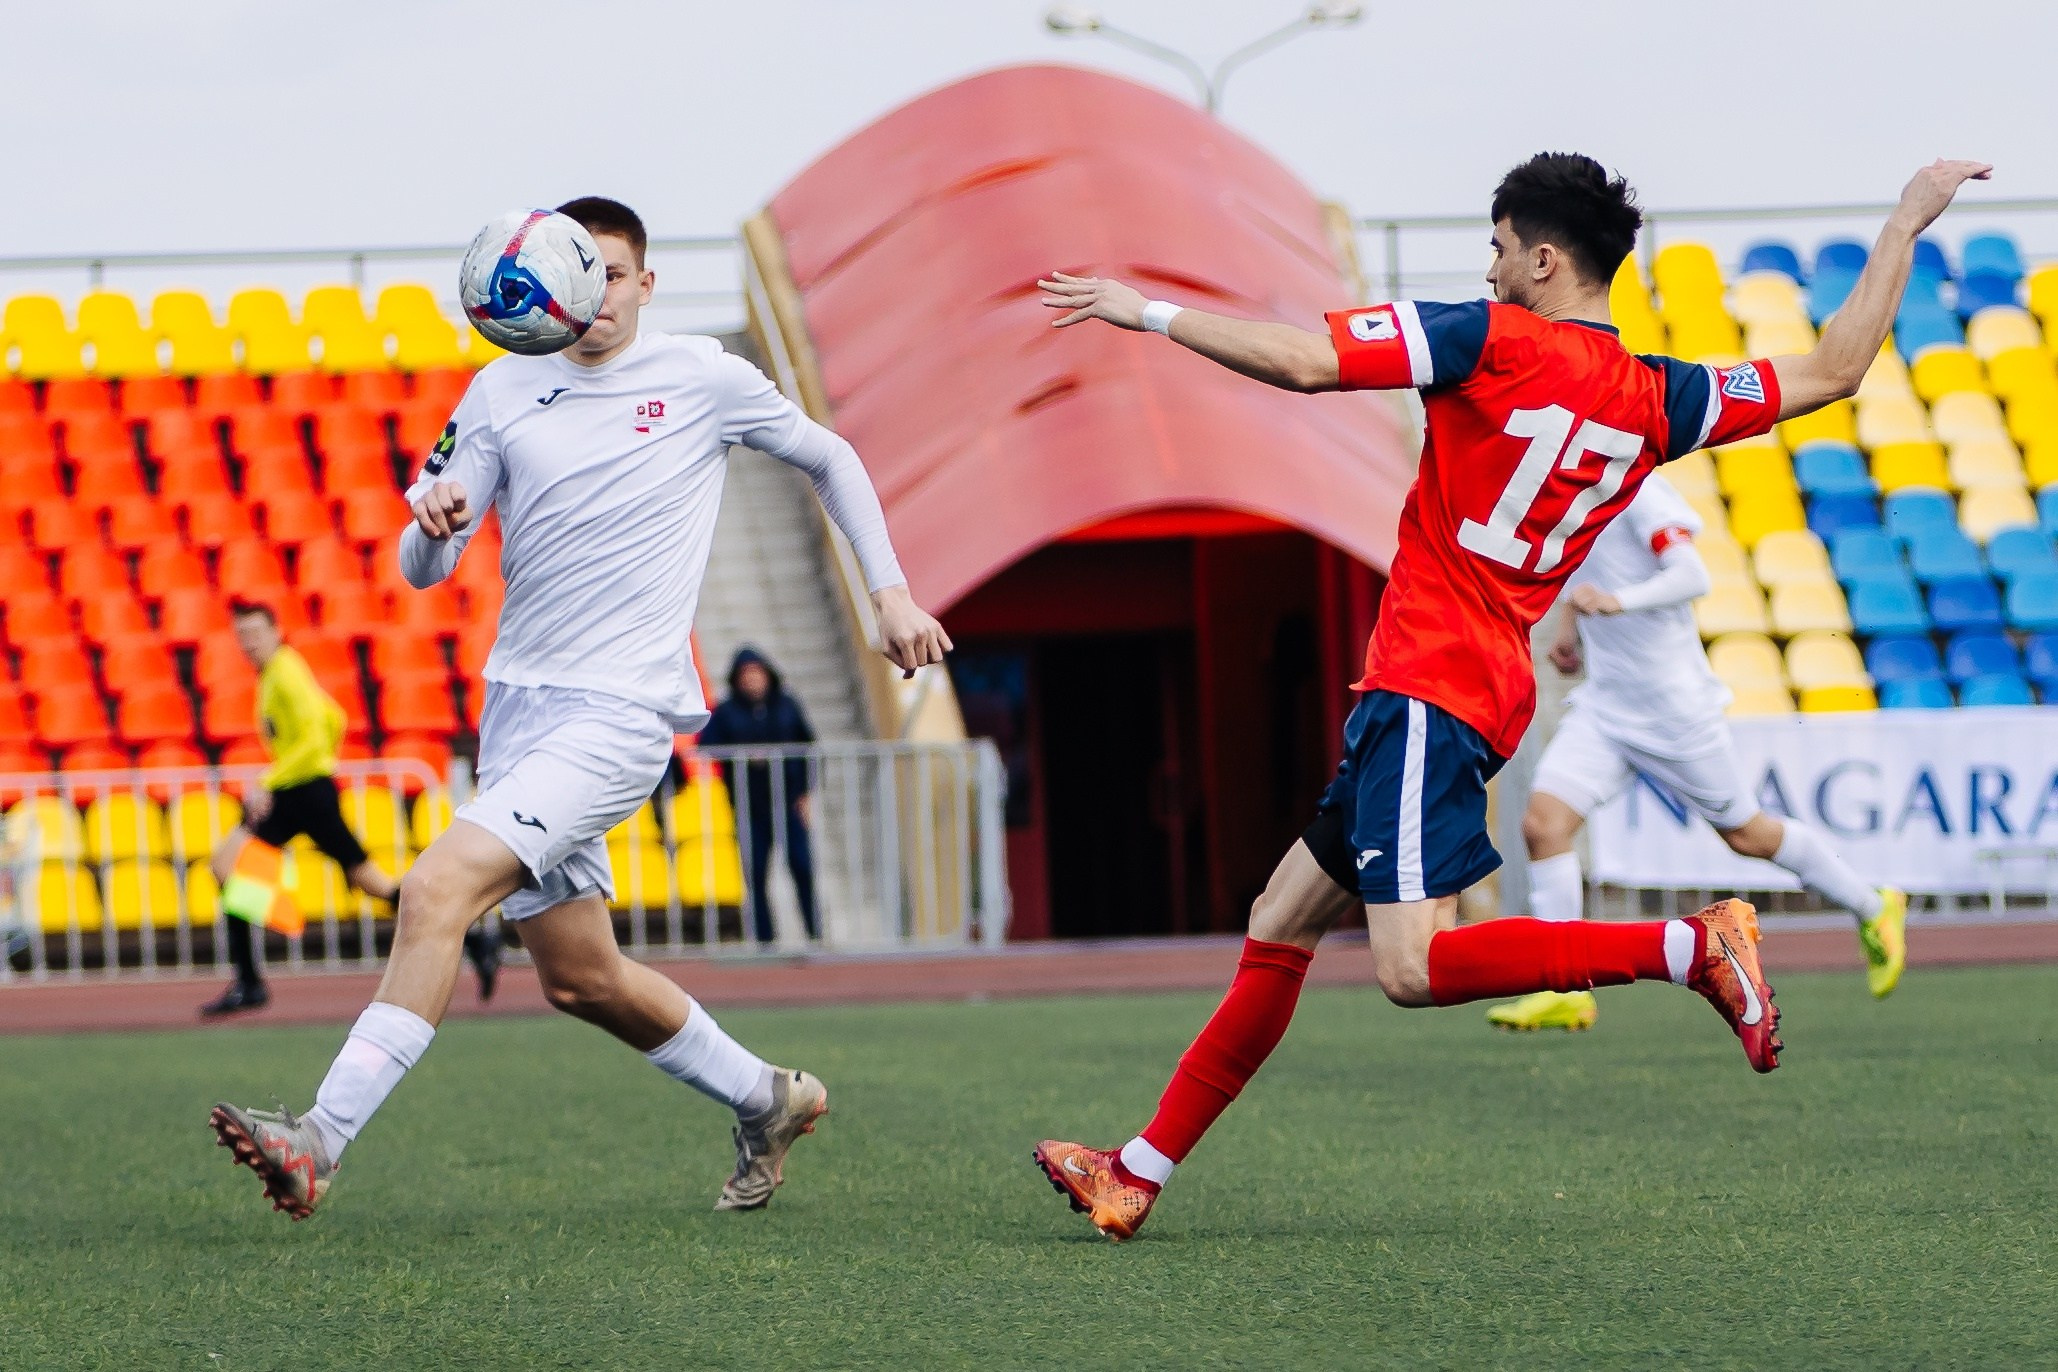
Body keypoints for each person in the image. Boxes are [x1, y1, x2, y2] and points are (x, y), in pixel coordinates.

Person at [1029, 153, 1990, 1240]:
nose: (1486, 272)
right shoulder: (1660, 395)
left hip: (1428, 680)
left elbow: (1304, 362)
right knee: (1281, 918)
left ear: (1542, 256)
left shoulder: (1480, 338)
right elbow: (1832, 372)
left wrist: (1146, 311)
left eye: (1496, 251)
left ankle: (1686, 948)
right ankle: (1136, 1172)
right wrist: (1906, 223)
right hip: (1477, 682)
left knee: (1405, 967)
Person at [208, 197, 950, 1220]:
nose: (590, 293)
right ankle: (764, 1096)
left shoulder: (703, 379)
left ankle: (317, 1140)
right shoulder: (503, 388)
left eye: (609, 272)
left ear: (646, 283)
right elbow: (421, 565)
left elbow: (831, 456)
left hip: (619, 715)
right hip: (518, 714)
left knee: (432, 892)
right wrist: (433, 522)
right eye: (574, 270)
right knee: (580, 977)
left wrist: (890, 591)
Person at [1489, 475, 1907, 1034]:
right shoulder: (1568, 492)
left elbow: (1692, 575)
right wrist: (1570, 627)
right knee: (1543, 825)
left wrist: (1618, 602)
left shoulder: (1642, 493)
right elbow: (1581, 569)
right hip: (1606, 706)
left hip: (1674, 711)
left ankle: (1873, 904)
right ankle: (1563, 989)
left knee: (1747, 835)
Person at [200, 601, 500, 1016]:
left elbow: (313, 738)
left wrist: (268, 781)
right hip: (306, 791)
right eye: (242, 636)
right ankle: (474, 941)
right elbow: (334, 719)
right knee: (369, 881)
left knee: (226, 864)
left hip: (301, 792)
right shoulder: (277, 673)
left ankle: (252, 977)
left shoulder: (284, 672)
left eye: (254, 633)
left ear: (275, 631)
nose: (248, 643)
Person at [699, 646, 819, 946]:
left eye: (757, 673)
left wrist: (805, 792)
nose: (752, 680)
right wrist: (741, 757)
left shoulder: (787, 705)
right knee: (755, 874)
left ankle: (816, 933)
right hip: (749, 806)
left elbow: (808, 748)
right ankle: (766, 941)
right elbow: (705, 744)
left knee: (802, 866)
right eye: (746, 675)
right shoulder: (726, 711)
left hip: (788, 802)